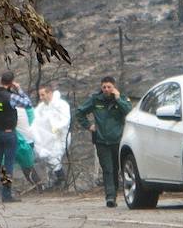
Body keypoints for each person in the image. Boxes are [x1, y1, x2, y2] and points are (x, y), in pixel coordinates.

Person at [76, 76, 132, 207]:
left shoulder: (121, 99)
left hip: (118, 140)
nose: (106, 89)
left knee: (116, 168)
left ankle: (117, 193)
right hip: (101, 140)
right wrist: (89, 126)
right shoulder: (96, 100)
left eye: (109, 87)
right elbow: (80, 112)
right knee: (107, 169)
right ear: (101, 87)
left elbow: (129, 112)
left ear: (114, 87)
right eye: (104, 87)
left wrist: (118, 99)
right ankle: (110, 197)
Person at [0, 71, 31, 203]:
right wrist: (18, 89)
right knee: (8, 165)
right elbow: (28, 103)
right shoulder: (11, 97)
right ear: (11, 83)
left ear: (0, 80)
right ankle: (6, 195)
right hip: (9, 133)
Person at [32, 84, 71, 189]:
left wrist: (56, 127)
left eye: (43, 95)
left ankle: (61, 180)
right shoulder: (42, 107)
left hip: (60, 137)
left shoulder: (61, 105)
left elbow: (65, 120)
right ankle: (55, 181)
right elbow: (35, 118)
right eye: (40, 95)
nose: (41, 98)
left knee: (54, 157)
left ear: (49, 93)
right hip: (47, 137)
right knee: (47, 157)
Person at [15, 105, 43, 191]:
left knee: (27, 167)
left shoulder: (16, 111)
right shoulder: (27, 109)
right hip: (28, 141)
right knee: (27, 167)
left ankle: (39, 186)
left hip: (23, 142)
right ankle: (38, 186)